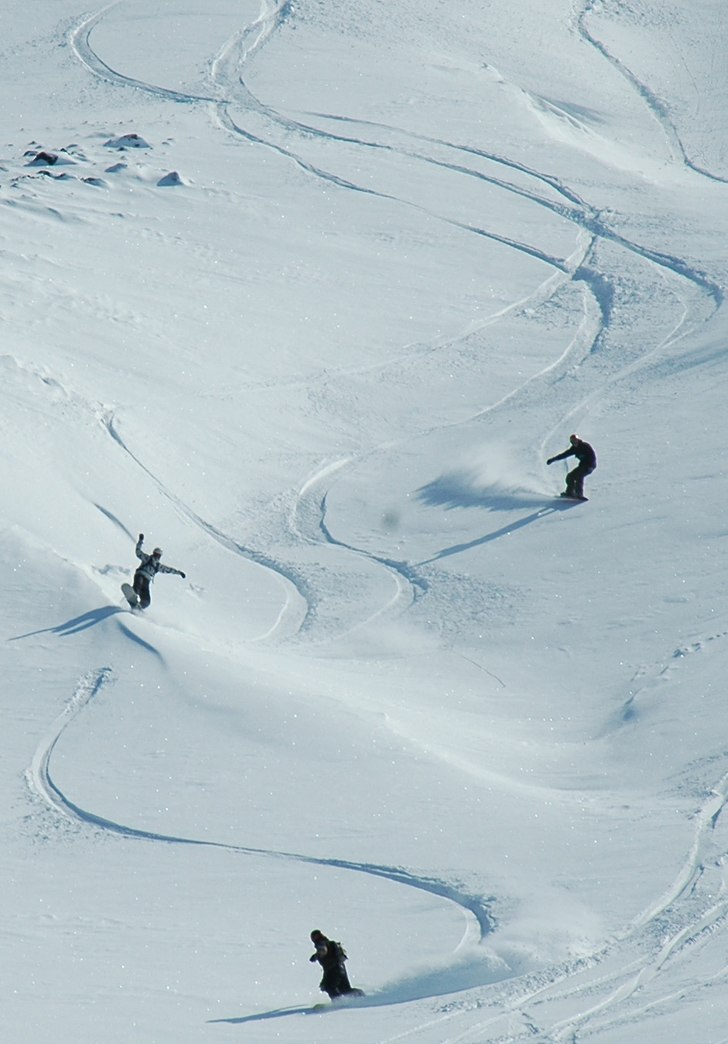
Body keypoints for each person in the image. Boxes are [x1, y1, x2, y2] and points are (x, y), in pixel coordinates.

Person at [132, 533, 186, 609]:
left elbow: (169, 570)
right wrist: (140, 541)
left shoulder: (158, 566)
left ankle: (140, 606)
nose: (156, 557)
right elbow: (138, 552)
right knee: (138, 586)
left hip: (147, 580)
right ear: (153, 553)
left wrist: (179, 573)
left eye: (158, 556)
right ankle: (133, 593)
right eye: (155, 554)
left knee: (147, 600)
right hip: (140, 575)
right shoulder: (147, 558)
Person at [308, 930, 363, 1001]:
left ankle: (338, 1001)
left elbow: (323, 950)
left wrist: (317, 955)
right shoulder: (329, 943)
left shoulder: (321, 944)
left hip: (335, 970)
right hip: (340, 968)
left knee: (329, 987)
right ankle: (360, 995)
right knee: (345, 990)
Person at [546, 434, 597, 499]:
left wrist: (589, 463)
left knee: (579, 475)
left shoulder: (585, 446)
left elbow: (592, 456)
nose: (575, 443)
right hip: (582, 466)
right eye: (572, 442)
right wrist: (553, 459)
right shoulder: (574, 449)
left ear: (578, 440)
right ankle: (570, 493)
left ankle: (579, 494)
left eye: (575, 441)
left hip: (590, 465)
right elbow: (564, 455)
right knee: (570, 477)